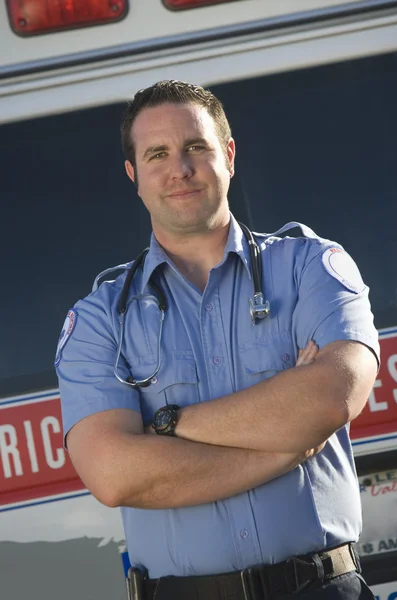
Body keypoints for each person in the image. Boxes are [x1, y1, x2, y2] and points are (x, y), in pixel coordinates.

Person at [55, 80, 379, 600]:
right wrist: (286, 446)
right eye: (157, 154)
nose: (179, 169)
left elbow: (332, 396)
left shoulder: (310, 266)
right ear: (133, 176)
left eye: (195, 148)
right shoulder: (99, 319)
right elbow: (114, 475)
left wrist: (166, 426)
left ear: (228, 155)